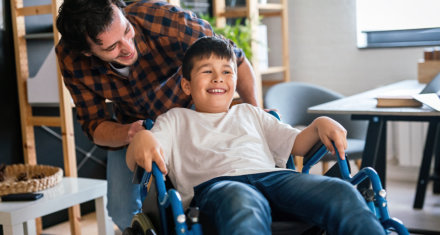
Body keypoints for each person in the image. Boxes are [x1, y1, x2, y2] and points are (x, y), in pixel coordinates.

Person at [126, 36, 386, 235]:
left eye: (227, 72)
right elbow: (139, 159)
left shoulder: (250, 113)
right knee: (243, 200)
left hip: (275, 179)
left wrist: (319, 124)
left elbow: (296, 143)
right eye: (207, 72)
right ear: (186, 85)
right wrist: (141, 139)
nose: (218, 79)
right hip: (217, 188)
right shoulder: (175, 119)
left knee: (340, 191)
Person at [55, 0, 258, 230]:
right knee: (122, 210)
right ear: (86, 51)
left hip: (189, 113)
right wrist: (130, 132)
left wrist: (255, 110)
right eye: (112, 47)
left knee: (202, 190)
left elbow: (235, 59)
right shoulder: (70, 58)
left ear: (121, 11)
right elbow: (95, 126)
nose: (128, 47)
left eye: (127, 31)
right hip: (133, 126)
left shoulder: (166, 20)